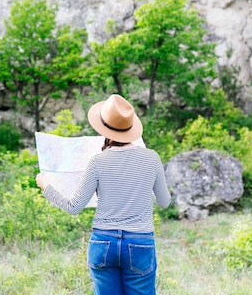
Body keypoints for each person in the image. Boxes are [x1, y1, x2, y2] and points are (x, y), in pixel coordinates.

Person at [36, 94, 171, 295]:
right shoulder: (152, 158)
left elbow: (74, 207)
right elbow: (164, 202)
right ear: (131, 127)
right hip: (140, 242)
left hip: (103, 242)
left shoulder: (97, 161)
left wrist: (46, 186)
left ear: (104, 129)